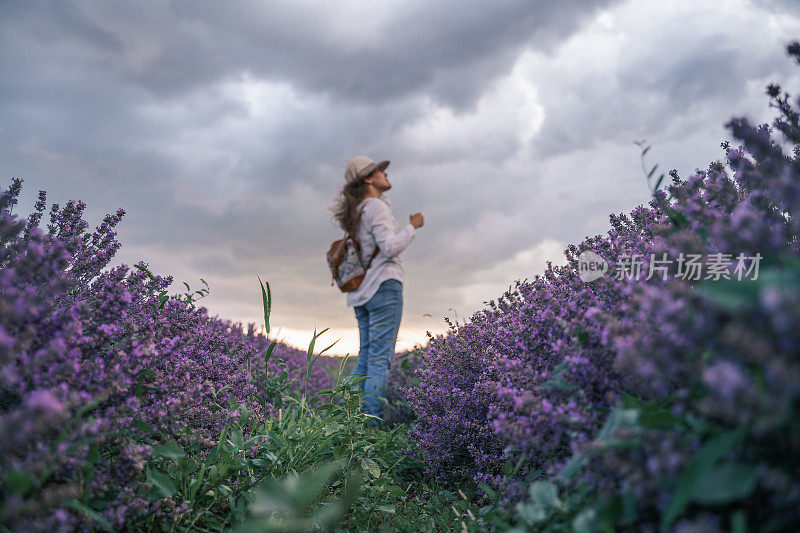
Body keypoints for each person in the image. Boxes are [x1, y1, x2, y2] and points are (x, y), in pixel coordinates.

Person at [331, 156, 424, 422]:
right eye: (380, 171)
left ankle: (337, 418)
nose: (386, 174)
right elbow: (391, 247)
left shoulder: (360, 209)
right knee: (379, 361)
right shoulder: (376, 208)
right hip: (384, 287)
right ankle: (372, 426)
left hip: (361, 293)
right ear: (369, 179)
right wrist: (412, 227)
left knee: (366, 359)